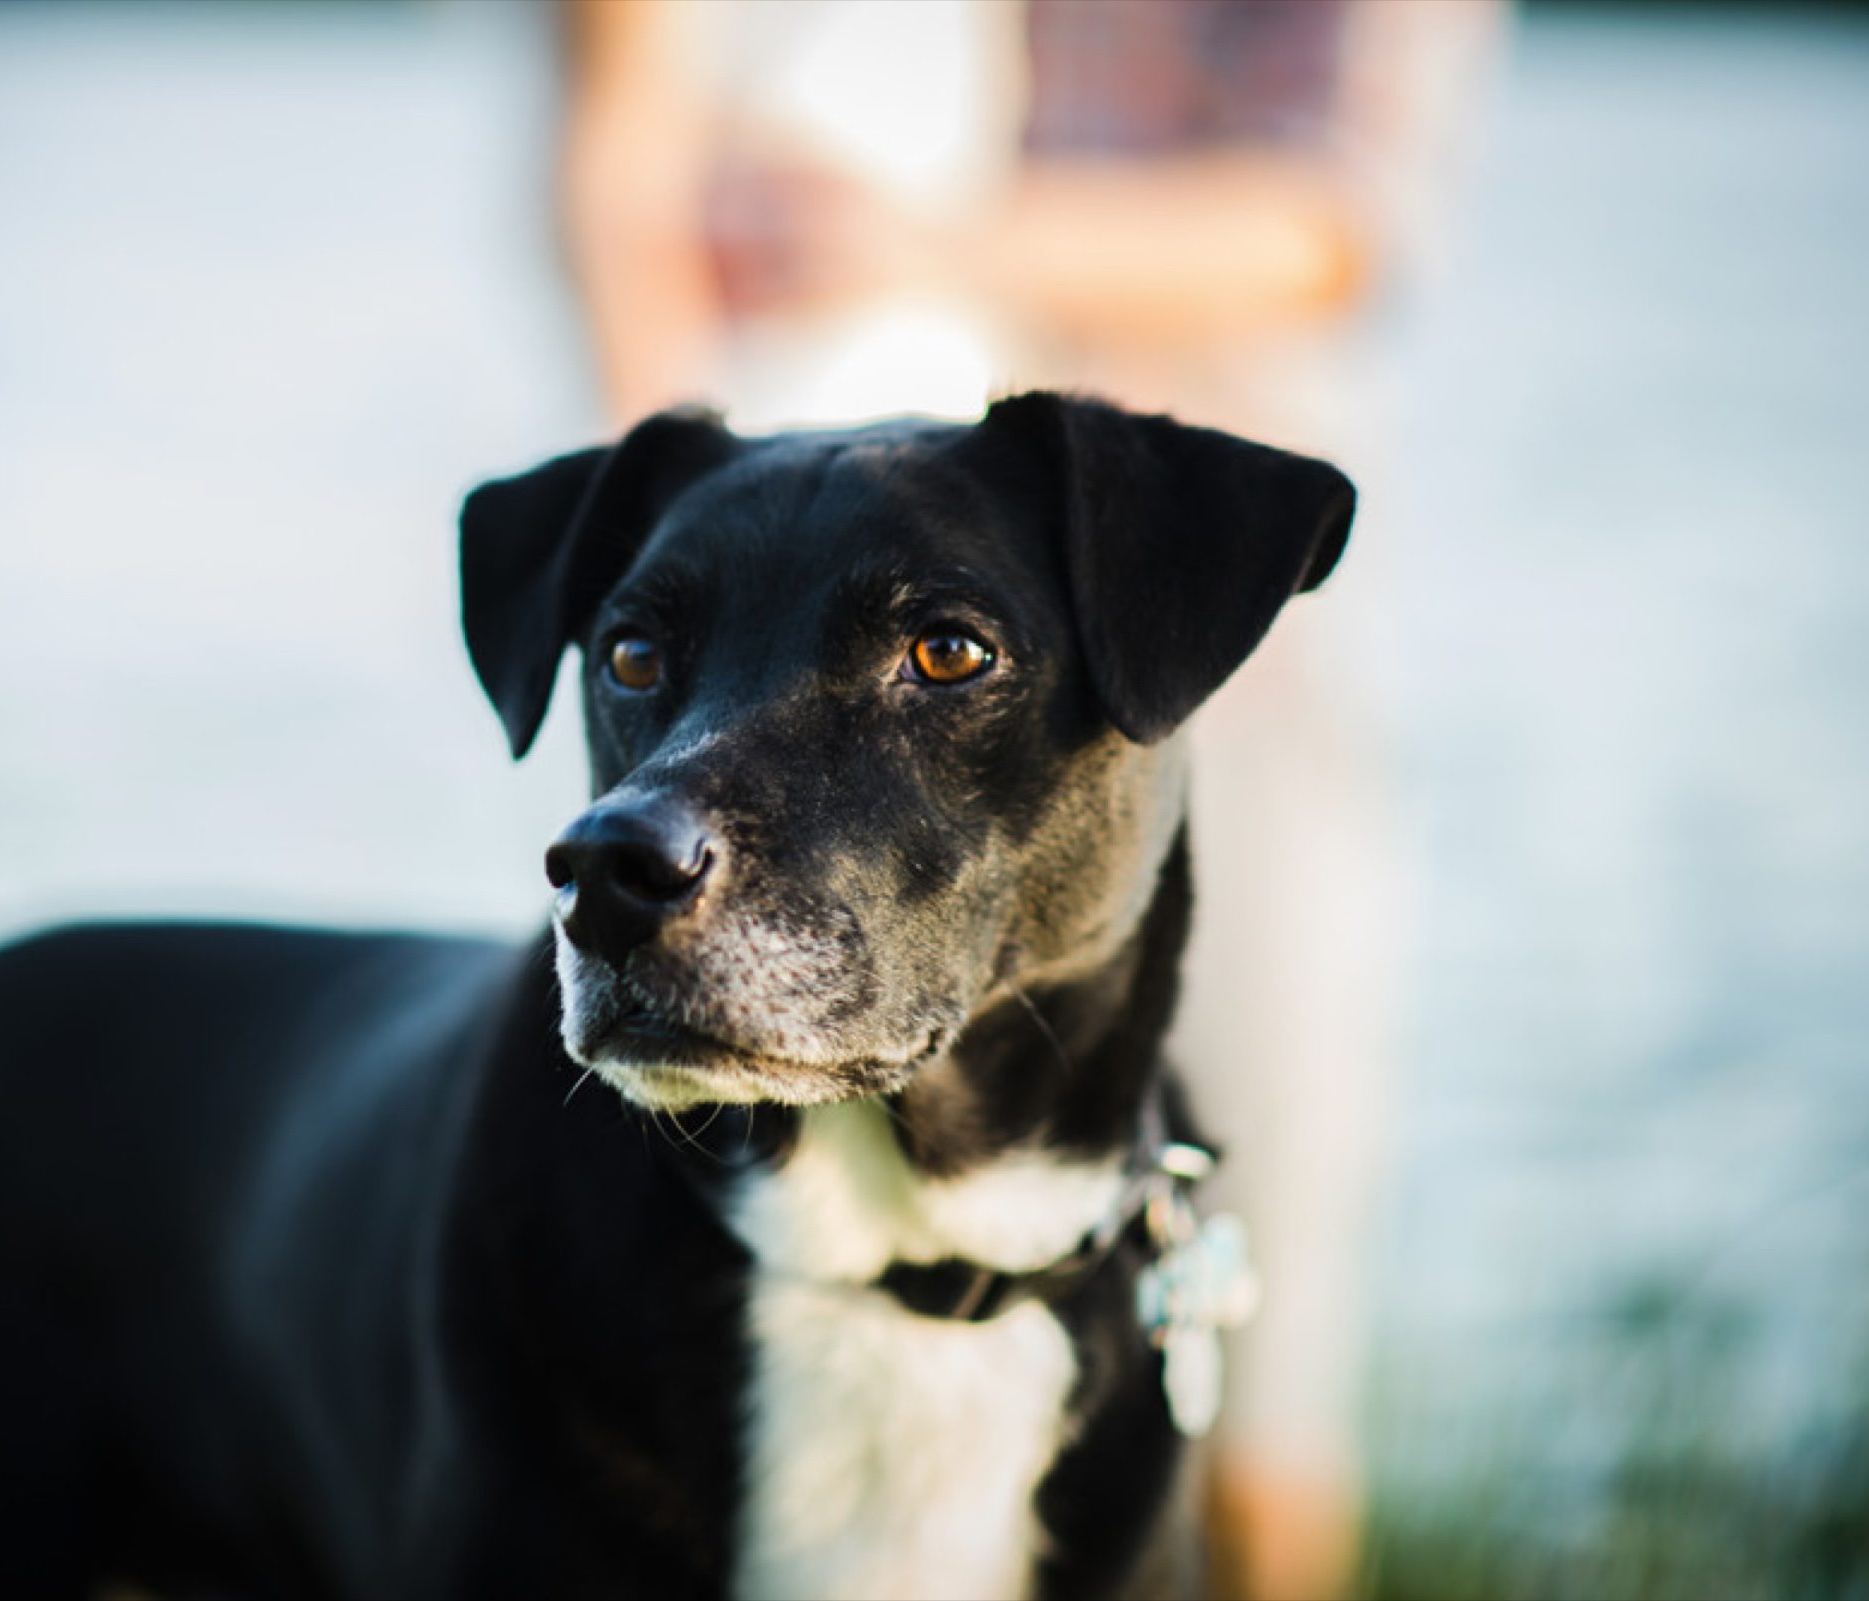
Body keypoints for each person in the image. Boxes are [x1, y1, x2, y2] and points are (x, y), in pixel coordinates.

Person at [555, 4, 1504, 1596]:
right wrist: (673, 523)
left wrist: (920, 242)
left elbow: (1336, 218)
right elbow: (615, 136)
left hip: (1170, 634)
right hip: (760, 595)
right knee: (649, 1365)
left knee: (1251, 1377)